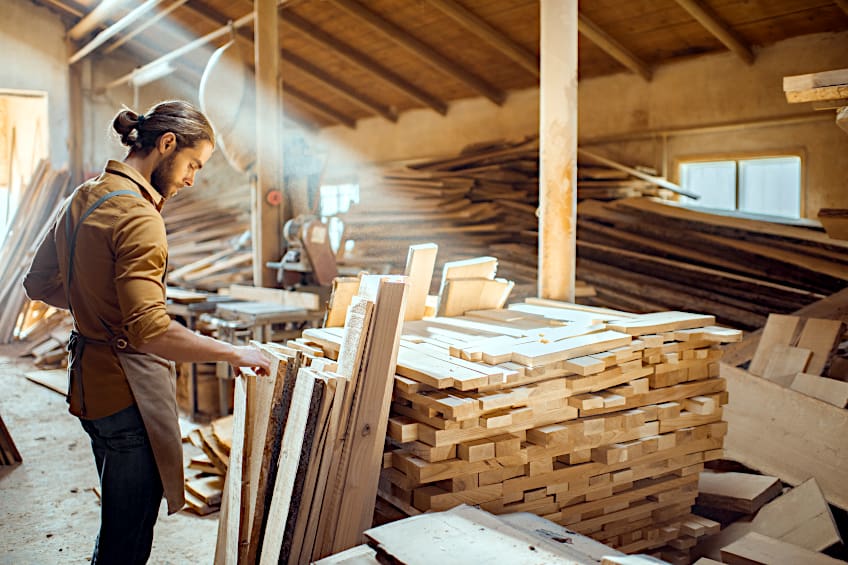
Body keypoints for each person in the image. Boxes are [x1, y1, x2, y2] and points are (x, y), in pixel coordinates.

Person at [23, 100, 271, 564]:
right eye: (192, 165)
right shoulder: (139, 217)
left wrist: (98, 313)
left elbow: (39, 284)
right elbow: (150, 331)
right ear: (167, 144)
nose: (191, 179)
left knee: (116, 525)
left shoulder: (84, 195)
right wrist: (235, 353)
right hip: (126, 394)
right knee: (128, 540)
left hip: (87, 384)